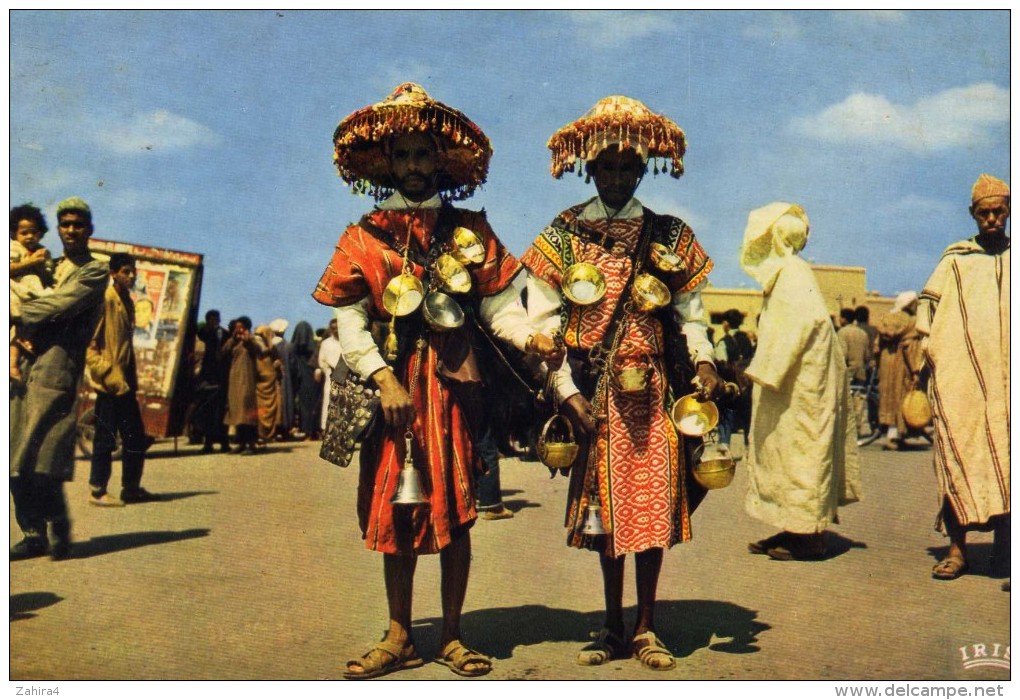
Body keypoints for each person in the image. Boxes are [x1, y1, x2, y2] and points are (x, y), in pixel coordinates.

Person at [312, 82, 560, 679]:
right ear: (386, 163)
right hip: (393, 394)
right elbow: (347, 319)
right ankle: (399, 634)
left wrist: (532, 337)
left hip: (454, 391)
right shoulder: (363, 237)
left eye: (424, 154)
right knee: (395, 507)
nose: (414, 166)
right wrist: (382, 380)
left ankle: (452, 634)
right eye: (403, 156)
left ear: (440, 161)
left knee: (455, 508)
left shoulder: (468, 230)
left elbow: (500, 304)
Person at [521, 95, 723, 670]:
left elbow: (692, 312)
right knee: (604, 511)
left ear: (641, 170)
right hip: (592, 391)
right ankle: (611, 626)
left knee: (653, 506)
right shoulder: (563, 234)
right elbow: (543, 324)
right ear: (589, 168)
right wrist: (567, 393)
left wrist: (705, 362)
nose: (615, 177)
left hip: (656, 391)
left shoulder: (670, 235)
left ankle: (646, 627)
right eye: (605, 167)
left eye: (626, 168)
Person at [738, 202, 862, 561]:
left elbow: (800, 326)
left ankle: (810, 538)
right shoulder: (789, 273)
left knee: (804, 453)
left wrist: (763, 371)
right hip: (794, 382)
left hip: (802, 385)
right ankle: (793, 528)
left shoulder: (792, 272)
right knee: (787, 454)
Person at [918, 173, 1010, 581]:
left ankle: (1007, 553)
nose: (992, 219)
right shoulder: (956, 260)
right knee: (956, 457)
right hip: (962, 384)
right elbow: (928, 311)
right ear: (972, 215)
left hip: (1009, 387)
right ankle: (958, 551)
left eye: (999, 211)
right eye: (984, 213)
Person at [10, 197, 108, 560]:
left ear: (89, 229)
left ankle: (57, 529)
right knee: (14, 458)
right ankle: (32, 532)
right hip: (24, 367)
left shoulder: (95, 271)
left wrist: (18, 317)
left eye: (78, 224)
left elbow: (58, 305)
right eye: (65, 224)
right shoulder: (47, 262)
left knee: (44, 459)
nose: (70, 230)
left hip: (57, 368)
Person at [85, 252, 159, 506]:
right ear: (113, 273)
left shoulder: (127, 300)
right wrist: (108, 373)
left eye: (132, 271)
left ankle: (131, 488)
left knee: (135, 436)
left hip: (125, 380)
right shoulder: (105, 299)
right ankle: (98, 490)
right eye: (125, 271)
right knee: (105, 438)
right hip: (109, 381)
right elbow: (90, 347)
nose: (130, 276)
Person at [10, 203, 56, 384]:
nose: (29, 236)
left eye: (34, 232)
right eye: (24, 232)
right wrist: (30, 262)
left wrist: (42, 264)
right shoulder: (14, 248)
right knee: (14, 326)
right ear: (14, 233)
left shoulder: (43, 252)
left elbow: (48, 275)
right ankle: (12, 365)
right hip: (16, 289)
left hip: (33, 293)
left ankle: (25, 340)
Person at [875, 290, 923, 450]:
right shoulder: (911, 322)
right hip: (902, 364)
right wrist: (915, 371)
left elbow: (877, 346)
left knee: (887, 397)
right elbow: (910, 349)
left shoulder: (886, 318)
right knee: (901, 397)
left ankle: (891, 434)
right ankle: (897, 435)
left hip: (886, 361)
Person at [714, 308, 754, 455]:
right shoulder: (747, 339)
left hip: (732, 383)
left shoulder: (724, 342)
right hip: (748, 382)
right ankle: (748, 447)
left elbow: (721, 362)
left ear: (726, 324)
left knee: (726, 410)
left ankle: (724, 443)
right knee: (747, 414)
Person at [222, 316, 259, 454]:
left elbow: (258, 350)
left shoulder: (251, 340)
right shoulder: (233, 342)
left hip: (246, 380)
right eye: (236, 327)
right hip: (234, 381)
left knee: (246, 412)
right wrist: (233, 339)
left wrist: (247, 339)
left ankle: (251, 444)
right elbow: (224, 352)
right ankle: (241, 443)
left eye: (241, 327)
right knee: (237, 412)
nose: (238, 330)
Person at [196, 309, 231, 453]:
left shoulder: (224, 334)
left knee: (221, 412)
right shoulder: (204, 333)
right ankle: (209, 443)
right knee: (208, 412)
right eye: (212, 319)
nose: (215, 322)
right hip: (208, 378)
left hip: (220, 378)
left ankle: (223, 442)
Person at [252, 325, 284, 445]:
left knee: (272, 409)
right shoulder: (254, 347)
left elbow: (278, 364)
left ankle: (270, 434)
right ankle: (260, 434)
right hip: (259, 384)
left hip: (271, 383)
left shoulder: (273, 349)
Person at [291, 320, 321, 440]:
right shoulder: (312, 347)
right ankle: (309, 430)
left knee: (309, 405)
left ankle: (310, 430)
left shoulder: (298, 348)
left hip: (308, 380)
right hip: (306, 380)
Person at [316, 316, 345, 435]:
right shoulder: (326, 343)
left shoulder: (346, 341)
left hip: (345, 374)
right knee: (329, 401)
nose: (336, 330)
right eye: (333, 328)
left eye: (337, 328)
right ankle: (326, 429)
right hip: (330, 374)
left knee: (344, 402)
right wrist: (328, 369)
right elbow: (321, 360)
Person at [269, 318, 296, 438]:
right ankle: (285, 430)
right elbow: (294, 366)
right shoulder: (288, 346)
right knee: (286, 402)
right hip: (286, 379)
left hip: (270, 379)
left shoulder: (268, 345)